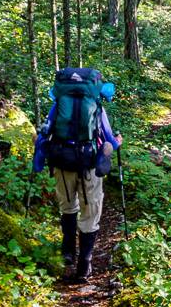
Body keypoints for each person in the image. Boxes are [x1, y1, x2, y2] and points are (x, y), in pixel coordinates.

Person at [35, 69, 121, 283]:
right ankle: (85, 263)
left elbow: (46, 130)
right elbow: (108, 136)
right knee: (90, 211)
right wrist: (117, 142)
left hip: (62, 161)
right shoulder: (97, 106)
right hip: (88, 163)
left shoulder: (58, 103)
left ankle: (67, 252)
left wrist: (40, 153)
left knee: (67, 206)